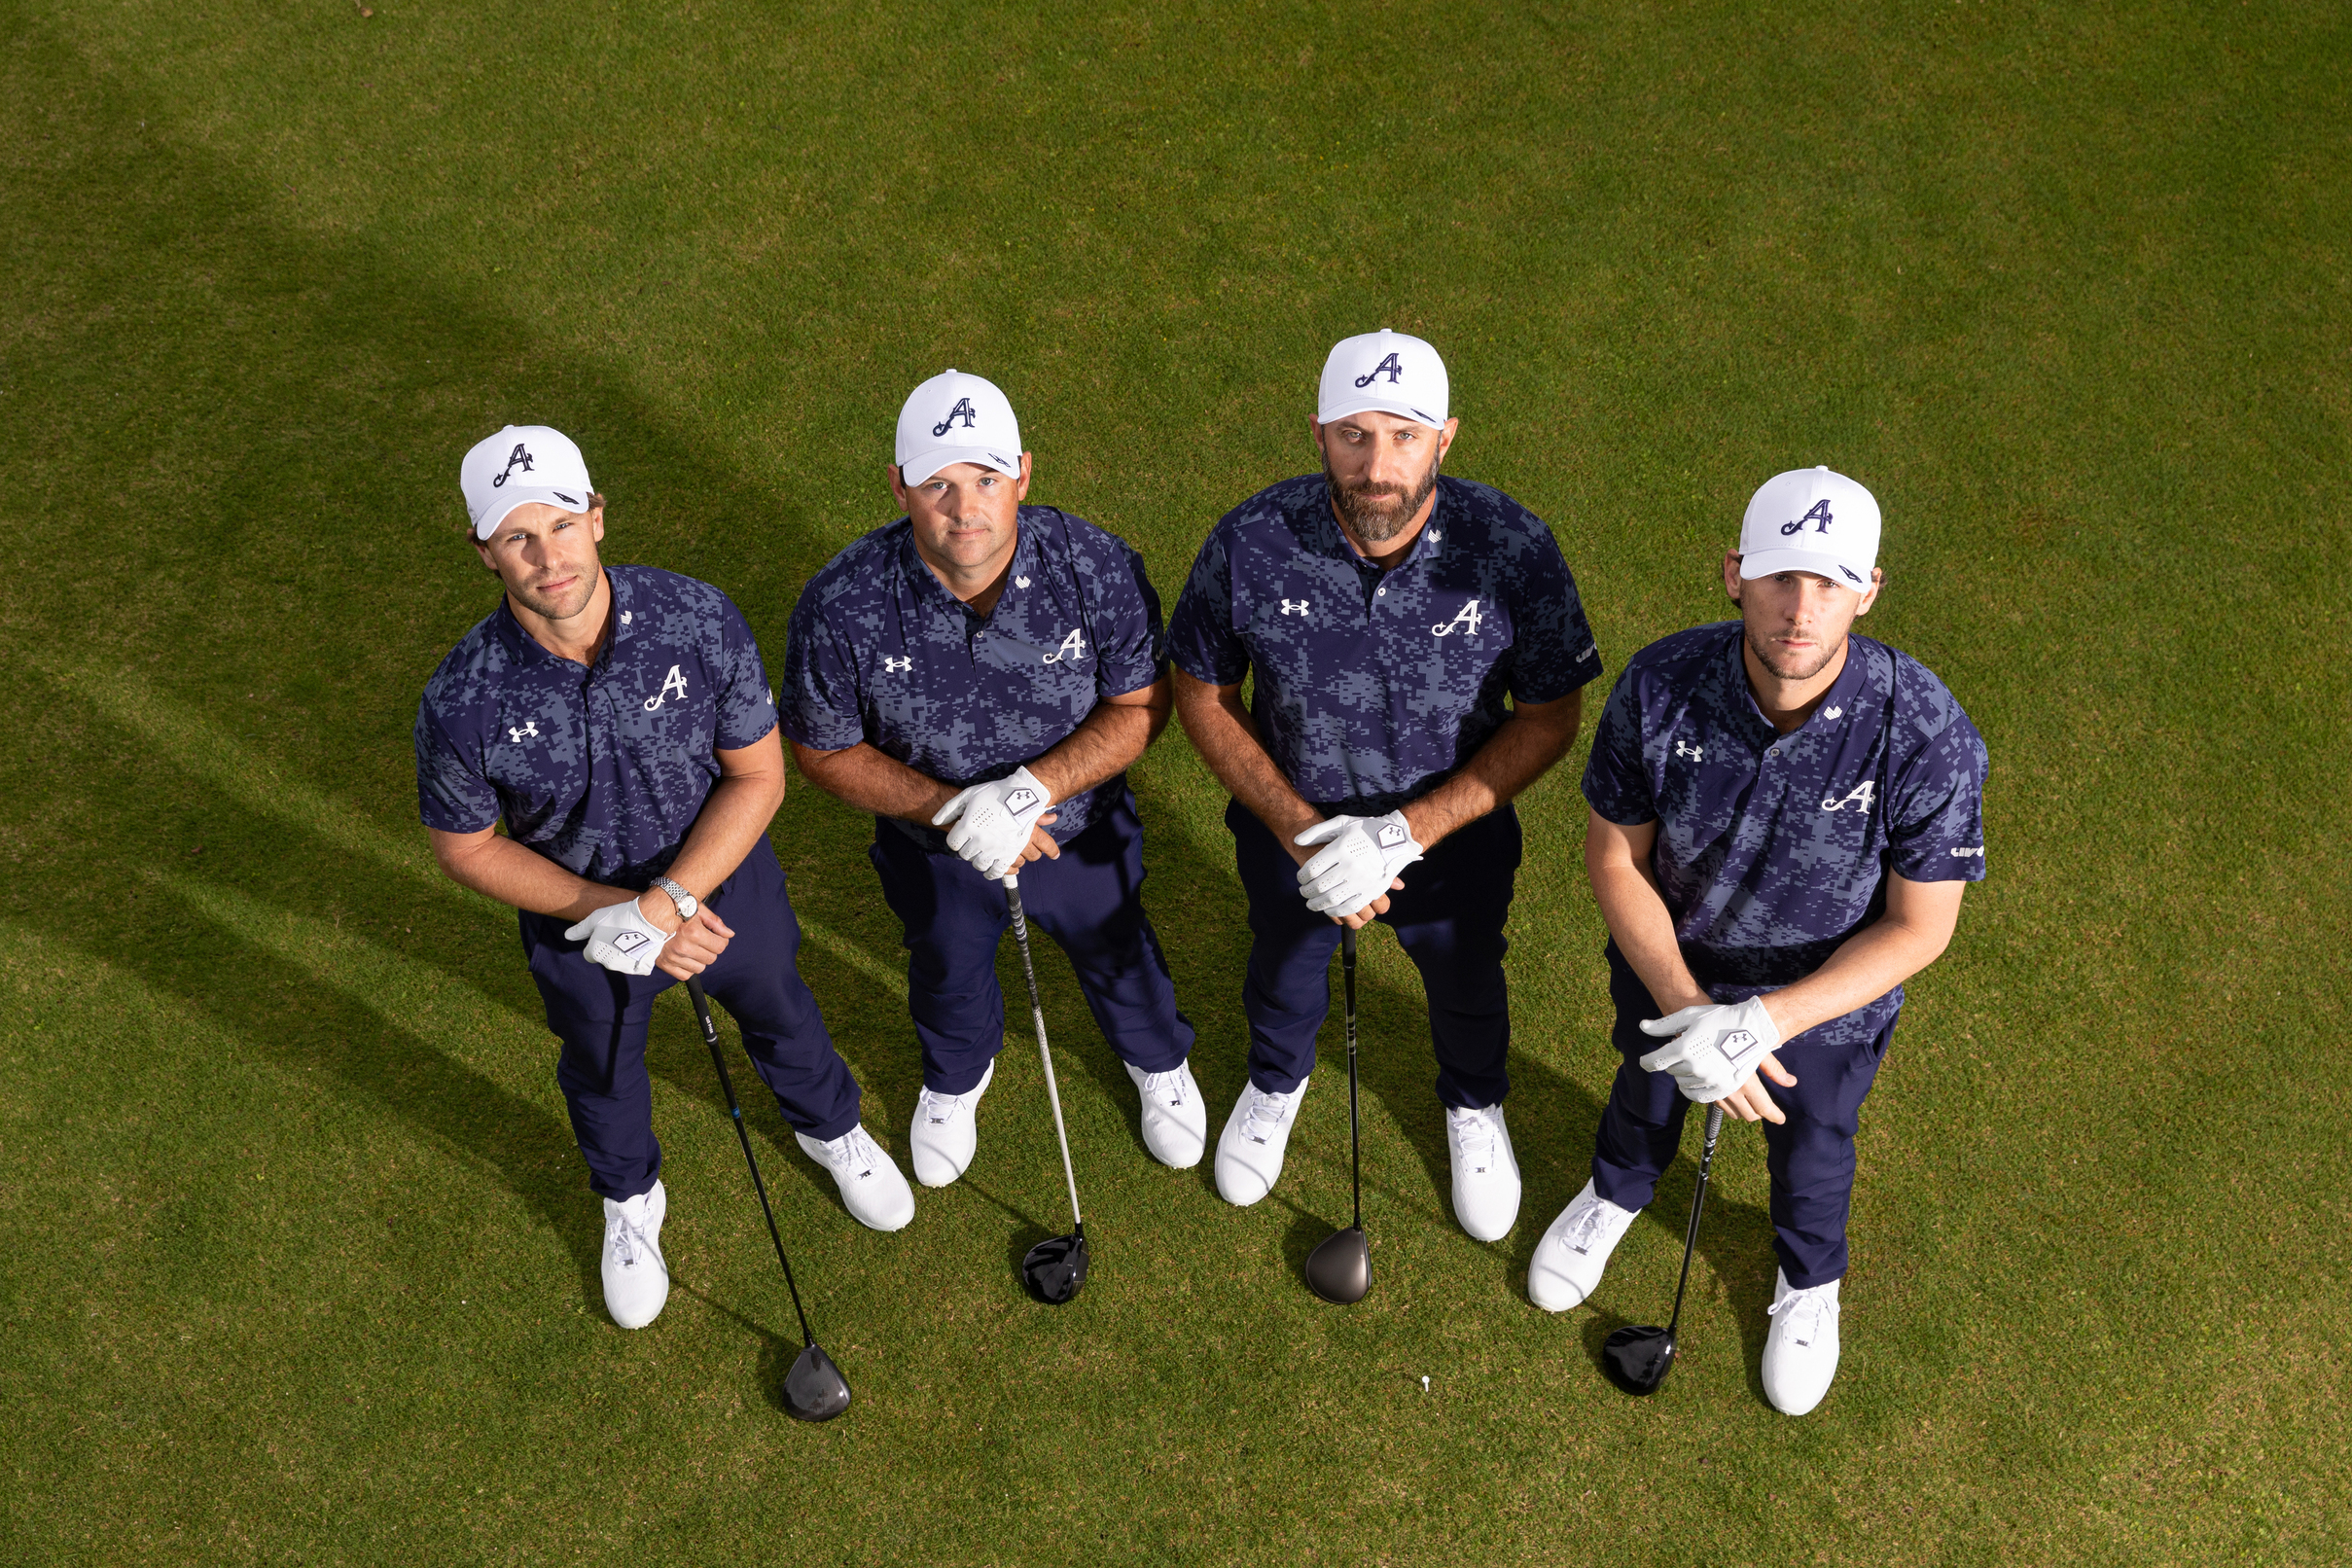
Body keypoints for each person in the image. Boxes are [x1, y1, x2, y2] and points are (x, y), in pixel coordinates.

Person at [414, 425, 914, 1333]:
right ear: (485, 552)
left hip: (720, 885)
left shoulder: (697, 617)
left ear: (597, 517)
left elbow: (757, 775)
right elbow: (468, 847)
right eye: (517, 537)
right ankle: (629, 1201)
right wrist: (615, 915)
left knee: (778, 1006)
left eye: (560, 525)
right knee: (602, 1065)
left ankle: (831, 1130)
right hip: (576, 915)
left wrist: (667, 905)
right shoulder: (461, 696)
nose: (546, 556)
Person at [1529, 465, 1987, 1416]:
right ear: (1736, 572)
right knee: (1648, 1083)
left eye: (1828, 583)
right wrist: (1693, 1008)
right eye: (1781, 576)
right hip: (1674, 965)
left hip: (1825, 1000)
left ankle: (1808, 1283)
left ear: (1868, 591)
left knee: (1815, 1141)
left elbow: (1921, 924)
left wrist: (1765, 1022)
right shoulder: (1661, 683)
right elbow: (1616, 856)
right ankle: (1615, 1193)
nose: (1801, 607)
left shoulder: (1925, 729)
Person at [1167, 330, 1603, 1241]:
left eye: (1402, 436)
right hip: (1295, 831)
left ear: (1444, 438)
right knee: (1284, 971)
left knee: (1467, 978)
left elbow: (1550, 714)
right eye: (1354, 435)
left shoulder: (1513, 546)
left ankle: (1474, 1107)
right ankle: (1276, 1083)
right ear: (1318, 434)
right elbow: (1203, 691)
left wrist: (1406, 833)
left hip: (1454, 842)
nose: (1377, 465)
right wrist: (1297, 828)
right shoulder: (1251, 538)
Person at [782, 371, 1201, 1188]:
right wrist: (951, 812)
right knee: (947, 963)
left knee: (1118, 948)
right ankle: (956, 1076)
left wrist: (1026, 793)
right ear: (899, 487)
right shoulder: (841, 603)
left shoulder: (1096, 566)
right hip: (933, 849)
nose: (964, 508)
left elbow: (1142, 706)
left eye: (985, 479)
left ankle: (1157, 1061)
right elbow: (823, 751)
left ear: (1024, 476)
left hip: (1077, 831)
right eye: (937, 484)